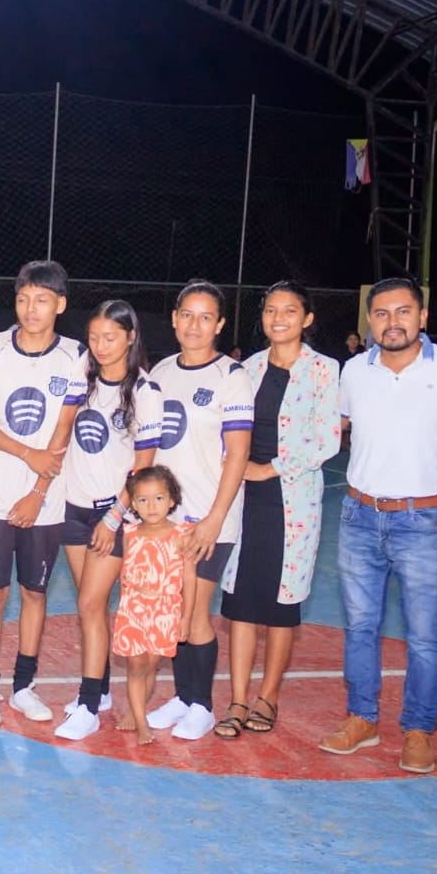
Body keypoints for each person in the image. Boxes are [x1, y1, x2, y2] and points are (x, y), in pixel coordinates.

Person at [321, 277, 437, 772]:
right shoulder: (353, 371)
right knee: (360, 627)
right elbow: (335, 427)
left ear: (423, 317)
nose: (393, 322)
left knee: (425, 635)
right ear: (370, 320)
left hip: (423, 519)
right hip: (358, 516)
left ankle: (418, 728)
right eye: (382, 313)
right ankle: (362, 718)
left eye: (403, 311)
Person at [216, 282, 340, 739]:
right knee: (241, 603)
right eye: (271, 310)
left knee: (281, 605)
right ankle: (237, 700)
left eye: (289, 311)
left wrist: (269, 469)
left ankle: (267, 697)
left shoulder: (324, 370)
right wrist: (239, 469)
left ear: (307, 319)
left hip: (292, 501)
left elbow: (327, 439)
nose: (279, 318)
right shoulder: (246, 369)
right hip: (244, 498)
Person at [0, 260, 80, 728]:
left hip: (45, 500)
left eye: (42, 300)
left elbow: (64, 430)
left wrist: (37, 490)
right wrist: (26, 454)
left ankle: (24, 686)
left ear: (60, 305)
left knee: (35, 592)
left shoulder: (75, 356)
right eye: (24, 299)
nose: (31, 309)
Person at [44, 299, 161, 740]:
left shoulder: (145, 392)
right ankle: (103, 691)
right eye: (94, 337)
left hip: (113, 515)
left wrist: (113, 518)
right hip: (74, 508)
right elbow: (63, 431)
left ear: (130, 337)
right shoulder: (83, 375)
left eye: (110, 337)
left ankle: (89, 705)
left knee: (90, 605)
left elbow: (142, 468)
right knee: (89, 605)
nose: (100, 346)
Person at [146, 280, 253, 741]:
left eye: (205, 317)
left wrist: (213, 520)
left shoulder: (232, 377)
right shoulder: (161, 371)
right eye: (187, 315)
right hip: (165, 520)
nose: (194, 325)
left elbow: (238, 454)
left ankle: (202, 705)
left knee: (194, 614)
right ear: (174, 319)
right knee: (173, 611)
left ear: (220, 324)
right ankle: (183, 696)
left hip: (210, 518)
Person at [112, 466, 196, 744]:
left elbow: (189, 579)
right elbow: (124, 573)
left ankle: (136, 711)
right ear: (134, 504)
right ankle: (141, 723)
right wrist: (125, 606)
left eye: (159, 498)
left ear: (171, 500)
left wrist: (185, 618)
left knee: (150, 665)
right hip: (133, 610)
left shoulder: (182, 534)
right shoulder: (130, 534)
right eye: (143, 500)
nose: (151, 506)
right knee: (136, 665)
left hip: (164, 612)